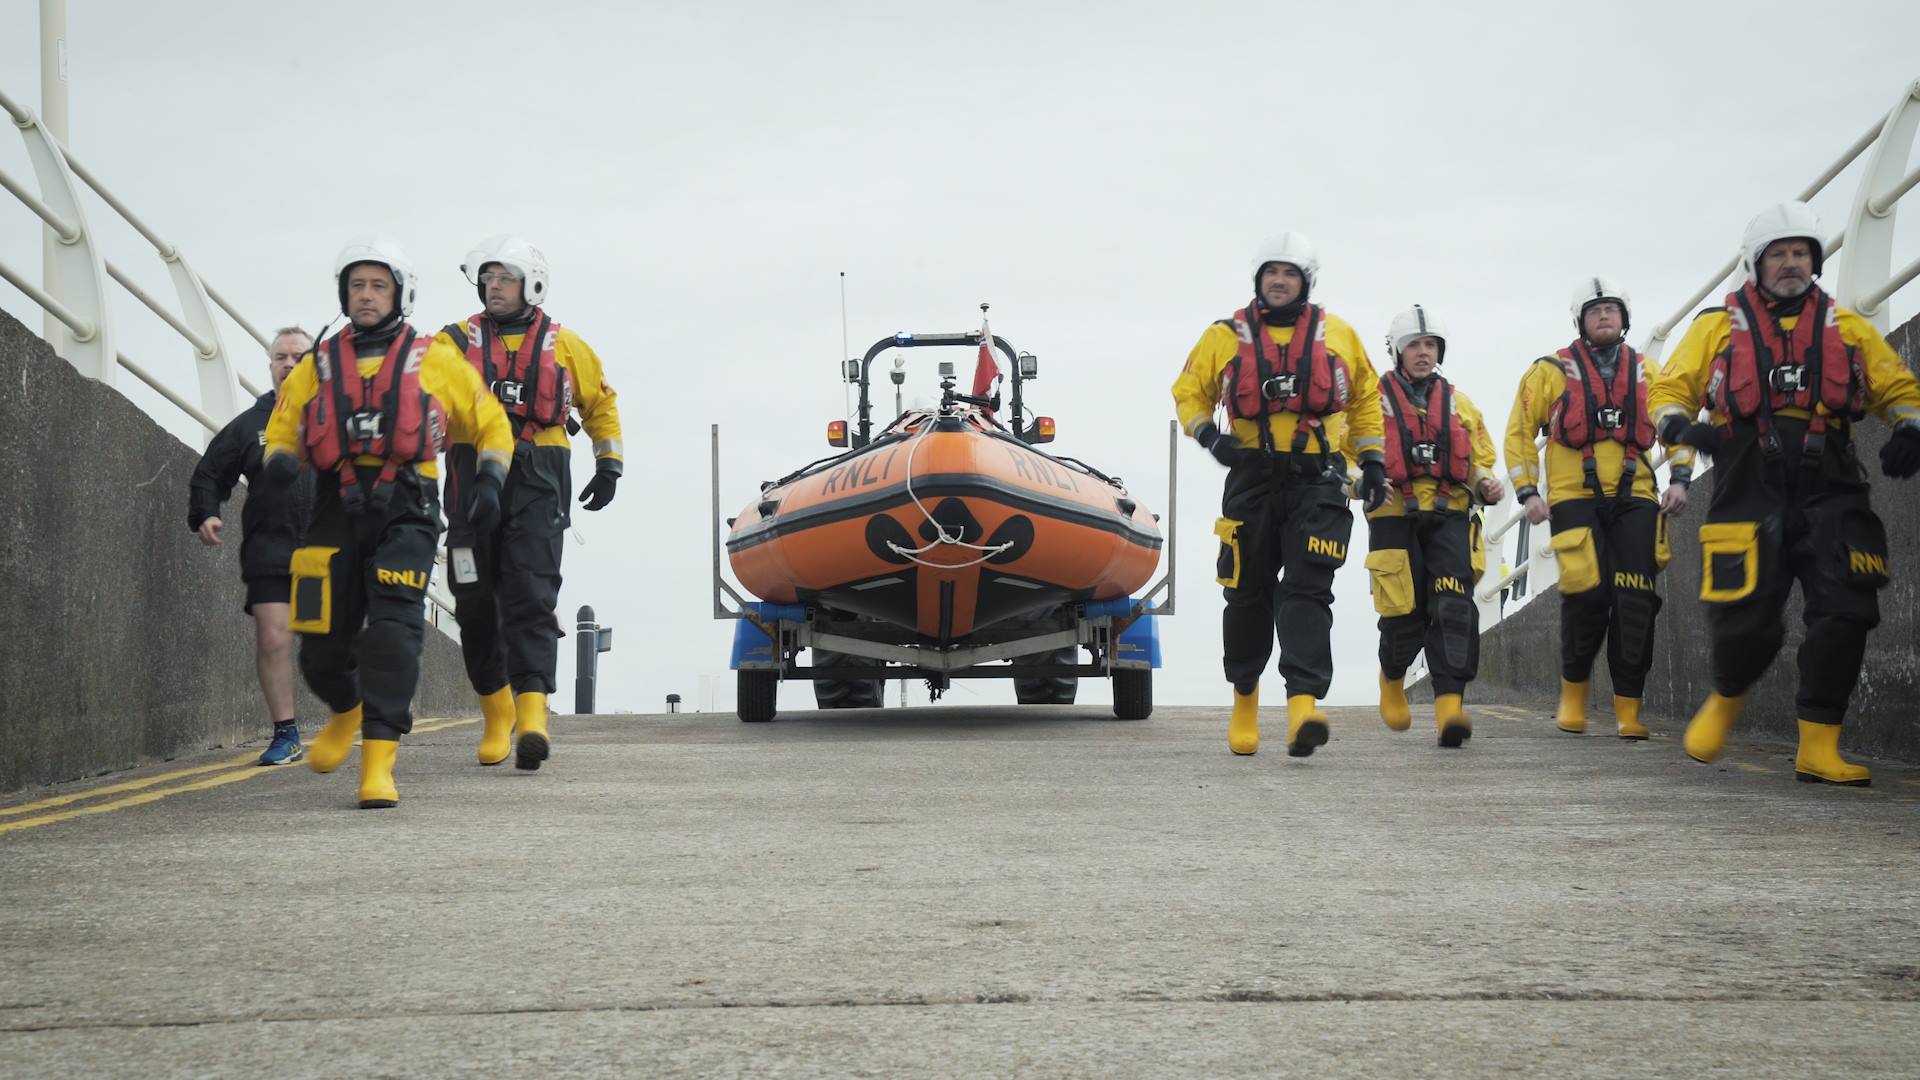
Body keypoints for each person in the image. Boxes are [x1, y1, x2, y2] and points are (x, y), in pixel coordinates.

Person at [1651, 201, 1920, 785]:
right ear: (1756, 263)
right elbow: (1670, 387)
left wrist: (1910, 426)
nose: (1792, 263)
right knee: (1745, 619)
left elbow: (1896, 386)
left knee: (1847, 610)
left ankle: (1818, 746)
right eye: (1780, 254)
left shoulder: (1847, 328)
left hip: (1833, 484)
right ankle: (1726, 698)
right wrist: (1679, 426)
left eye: (1802, 253)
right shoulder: (1715, 328)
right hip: (1747, 482)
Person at [261, 237, 513, 809]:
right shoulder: (318, 365)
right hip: (334, 505)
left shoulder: (436, 361)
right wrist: (279, 460)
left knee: (393, 634)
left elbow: (490, 423)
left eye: (377, 285)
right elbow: (285, 426)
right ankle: (344, 710)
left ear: (400, 293)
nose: (366, 296)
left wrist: (492, 478)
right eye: (356, 286)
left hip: (409, 505)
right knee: (319, 647)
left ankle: (378, 762)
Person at [1171, 232, 1386, 757]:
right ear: (1258, 280)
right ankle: (1245, 698)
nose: (1280, 281)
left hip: (1318, 479)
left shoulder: (1341, 336)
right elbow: (1188, 393)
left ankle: (1303, 708)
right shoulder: (1223, 337)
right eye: (1272, 273)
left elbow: (1365, 402)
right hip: (1251, 478)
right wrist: (1210, 437)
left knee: (1309, 588)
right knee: (1246, 591)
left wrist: (1375, 462)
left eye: (1290, 273)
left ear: (1305, 282)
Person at [437, 235, 624, 770]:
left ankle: (533, 715)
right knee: (473, 600)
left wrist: (608, 463)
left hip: (540, 478)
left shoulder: (566, 346)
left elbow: (600, 404)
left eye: (505, 278)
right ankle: (497, 714)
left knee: (532, 594)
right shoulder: (452, 342)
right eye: (488, 278)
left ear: (532, 285)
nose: (494, 287)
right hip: (470, 478)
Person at [1504, 278, 1693, 740]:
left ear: (1624, 319)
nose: (1604, 316)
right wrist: (1529, 492)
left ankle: (1629, 707)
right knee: (1586, 596)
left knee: (1636, 600)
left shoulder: (1650, 371)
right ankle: (1573, 693)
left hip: (1638, 498)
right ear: (1580, 321)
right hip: (1573, 498)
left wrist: (1681, 478)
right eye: (1595, 311)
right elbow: (1518, 434)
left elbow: (1677, 424)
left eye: (1611, 309)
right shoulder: (1547, 372)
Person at [1356, 305, 1503, 747]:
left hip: (1450, 512)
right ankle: (1392, 677)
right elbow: (1345, 454)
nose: (1423, 353)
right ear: (1396, 351)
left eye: (1430, 345)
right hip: (1392, 514)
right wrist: (1360, 482)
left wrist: (1484, 483)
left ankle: (1449, 710)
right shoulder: (1368, 402)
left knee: (1453, 607)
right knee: (1403, 615)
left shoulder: (1460, 402)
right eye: (1414, 345)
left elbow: (1478, 456)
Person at [187, 326, 315, 764]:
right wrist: (206, 512)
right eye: (281, 357)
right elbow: (209, 473)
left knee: (328, 645)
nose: (289, 364)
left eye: (299, 356)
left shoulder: (336, 417)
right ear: (270, 365)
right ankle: (286, 732)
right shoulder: (248, 426)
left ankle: (356, 718)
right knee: (272, 636)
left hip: (326, 548)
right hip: (269, 545)